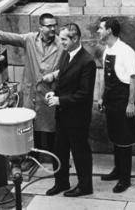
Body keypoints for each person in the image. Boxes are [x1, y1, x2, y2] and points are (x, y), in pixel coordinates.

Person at [0, 13, 63, 169]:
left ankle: (57, 160)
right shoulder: (30, 39)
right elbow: (8, 37)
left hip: (49, 92)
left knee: (51, 128)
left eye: (54, 25)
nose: (53, 28)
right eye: (49, 26)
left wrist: (54, 75)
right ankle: (32, 157)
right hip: (31, 91)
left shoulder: (61, 44)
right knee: (30, 126)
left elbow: (69, 67)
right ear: (40, 27)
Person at [44, 23, 96, 197]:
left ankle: (85, 186)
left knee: (80, 152)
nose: (61, 42)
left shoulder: (87, 62)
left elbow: (84, 94)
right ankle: (61, 182)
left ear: (75, 39)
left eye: (64, 39)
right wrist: (54, 92)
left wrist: (60, 100)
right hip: (63, 114)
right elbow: (63, 81)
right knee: (59, 150)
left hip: (78, 117)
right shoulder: (66, 55)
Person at [97, 17, 135, 193]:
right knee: (115, 137)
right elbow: (104, 77)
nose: (98, 31)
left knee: (124, 141)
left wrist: (130, 103)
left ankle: (125, 179)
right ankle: (117, 170)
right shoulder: (107, 49)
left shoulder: (126, 51)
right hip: (111, 101)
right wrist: (100, 98)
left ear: (109, 31)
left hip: (123, 101)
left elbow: (134, 78)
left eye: (100, 28)